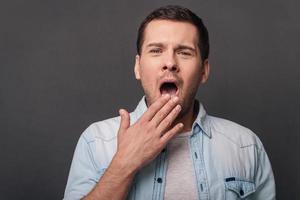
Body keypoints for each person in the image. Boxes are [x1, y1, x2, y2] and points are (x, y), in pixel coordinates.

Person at [64, 5, 276, 200]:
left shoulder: (246, 146)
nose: (170, 63)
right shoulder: (95, 141)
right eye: (156, 50)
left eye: (184, 52)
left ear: (204, 70)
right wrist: (124, 164)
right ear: (138, 67)